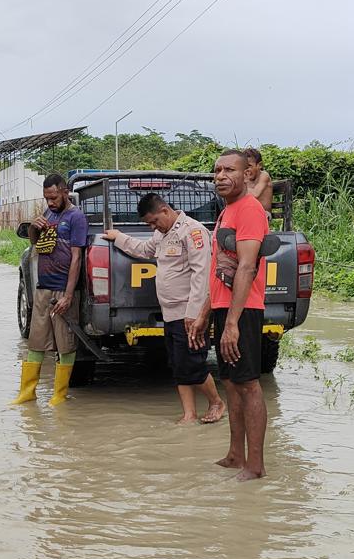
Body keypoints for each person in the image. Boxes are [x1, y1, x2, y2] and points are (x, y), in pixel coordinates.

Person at [103, 193, 225, 425]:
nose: (153, 227)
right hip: (170, 313)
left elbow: (202, 275)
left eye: (153, 221)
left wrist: (195, 315)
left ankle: (216, 402)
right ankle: (189, 414)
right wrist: (118, 237)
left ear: (165, 211)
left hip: (189, 315)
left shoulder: (193, 231)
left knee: (194, 364)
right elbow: (143, 250)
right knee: (178, 365)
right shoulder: (162, 234)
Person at [192, 150, 270, 481]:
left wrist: (234, 323)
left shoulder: (250, 210)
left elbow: (248, 266)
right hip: (225, 309)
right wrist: (203, 314)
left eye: (230, 170)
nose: (221, 176)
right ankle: (236, 455)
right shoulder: (227, 213)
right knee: (231, 384)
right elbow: (221, 270)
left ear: (247, 175)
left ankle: (256, 465)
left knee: (248, 385)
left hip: (244, 311)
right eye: (217, 170)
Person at [12, 173, 87, 407]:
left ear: (65, 192)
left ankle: (59, 395)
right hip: (43, 287)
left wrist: (67, 294)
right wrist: (34, 226)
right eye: (46, 198)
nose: (50, 202)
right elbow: (35, 244)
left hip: (63, 289)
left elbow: (77, 258)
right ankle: (27, 393)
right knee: (35, 342)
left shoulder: (76, 217)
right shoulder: (48, 213)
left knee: (65, 344)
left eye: (54, 197)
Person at [243, 147, 274, 214]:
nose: (246, 169)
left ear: (259, 165)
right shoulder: (245, 177)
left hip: (264, 213)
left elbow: (255, 194)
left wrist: (244, 183)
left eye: (249, 166)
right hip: (248, 212)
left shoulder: (264, 175)